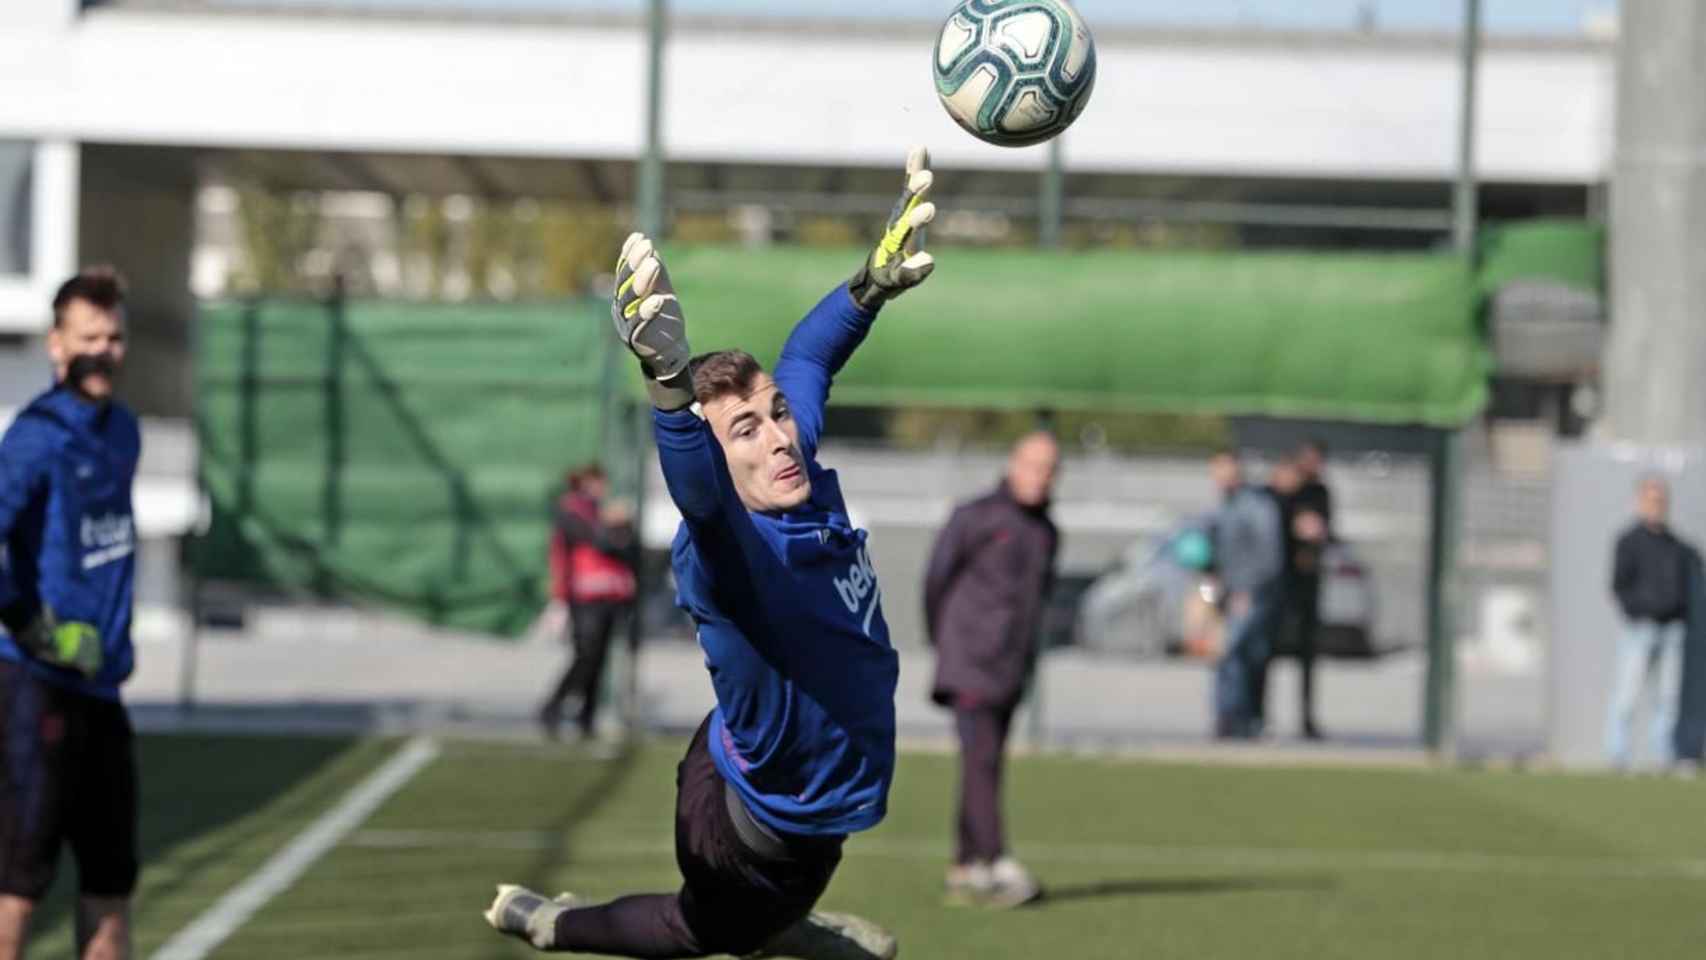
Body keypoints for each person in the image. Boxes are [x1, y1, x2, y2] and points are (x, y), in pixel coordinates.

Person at [484, 147, 939, 960]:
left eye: (774, 416)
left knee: (746, 920)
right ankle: (555, 924)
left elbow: (805, 358)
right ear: (720, 460)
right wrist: (665, 383)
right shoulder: (731, 552)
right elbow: (699, 497)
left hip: (735, 751)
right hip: (758, 832)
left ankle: (778, 928)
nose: (777, 436)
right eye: (746, 430)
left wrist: (866, 285)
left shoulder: (789, 468)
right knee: (694, 930)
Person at [0, 268, 142, 960]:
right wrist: (33, 625)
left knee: (111, 883)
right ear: (57, 345)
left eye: (114, 337)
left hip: (103, 692)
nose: (103, 350)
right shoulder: (34, 437)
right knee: (17, 884)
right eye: (89, 336)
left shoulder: (124, 433)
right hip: (35, 688)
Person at [922, 432, 1059, 908]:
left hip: (1011, 667)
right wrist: (950, 644)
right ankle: (997, 859)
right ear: (1014, 464)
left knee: (985, 761)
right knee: (981, 759)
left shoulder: (1045, 531)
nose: (1042, 477)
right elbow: (935, 580)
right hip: (969, 662)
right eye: (1035, 465)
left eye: (1050, 468)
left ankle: (966, 864)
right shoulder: (975, 516)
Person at [539, 464, 637, 743]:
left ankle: (587, 715)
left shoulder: (599, 512)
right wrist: (613, 523)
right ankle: (553, 706)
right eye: (596, 482)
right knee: (586, 654)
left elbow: (623, 547)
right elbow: (600, 541)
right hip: (585, 595)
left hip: (611, 594)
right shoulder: (573, 511)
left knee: (598, 657)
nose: (601, 487)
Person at [1607, 475, 1692, 771]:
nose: (1657, 506)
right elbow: (1619, 585)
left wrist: (1678, 613)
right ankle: (1618, 755)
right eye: (1651, 500)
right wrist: (1641, 610)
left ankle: (1664, 757)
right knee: (1626, 696)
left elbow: (1685, 588)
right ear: (1640, 501)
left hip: (1672, 631)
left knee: (1667, 700)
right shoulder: (1628, 542)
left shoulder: (1677, 546)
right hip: (1640, 629)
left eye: (1661, 500)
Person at [1208, 450, 1285, 740]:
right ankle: (1231, 718)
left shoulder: (1256, 507)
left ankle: (1240, 718)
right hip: (1231, 594)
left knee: (1239, 656)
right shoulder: (1225, 507)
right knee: (1233, 656)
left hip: (1251, 595)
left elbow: (1269, 556)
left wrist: (1247, 590)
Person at [1256, 453, 1330, 741]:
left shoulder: (1315, 496)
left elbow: (1321, 530)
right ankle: (1260, 716)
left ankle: (1306, 719)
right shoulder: (1268, 501)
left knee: (1306, 657)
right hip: (1274, 589)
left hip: (1304, 591)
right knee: (1265, 653)